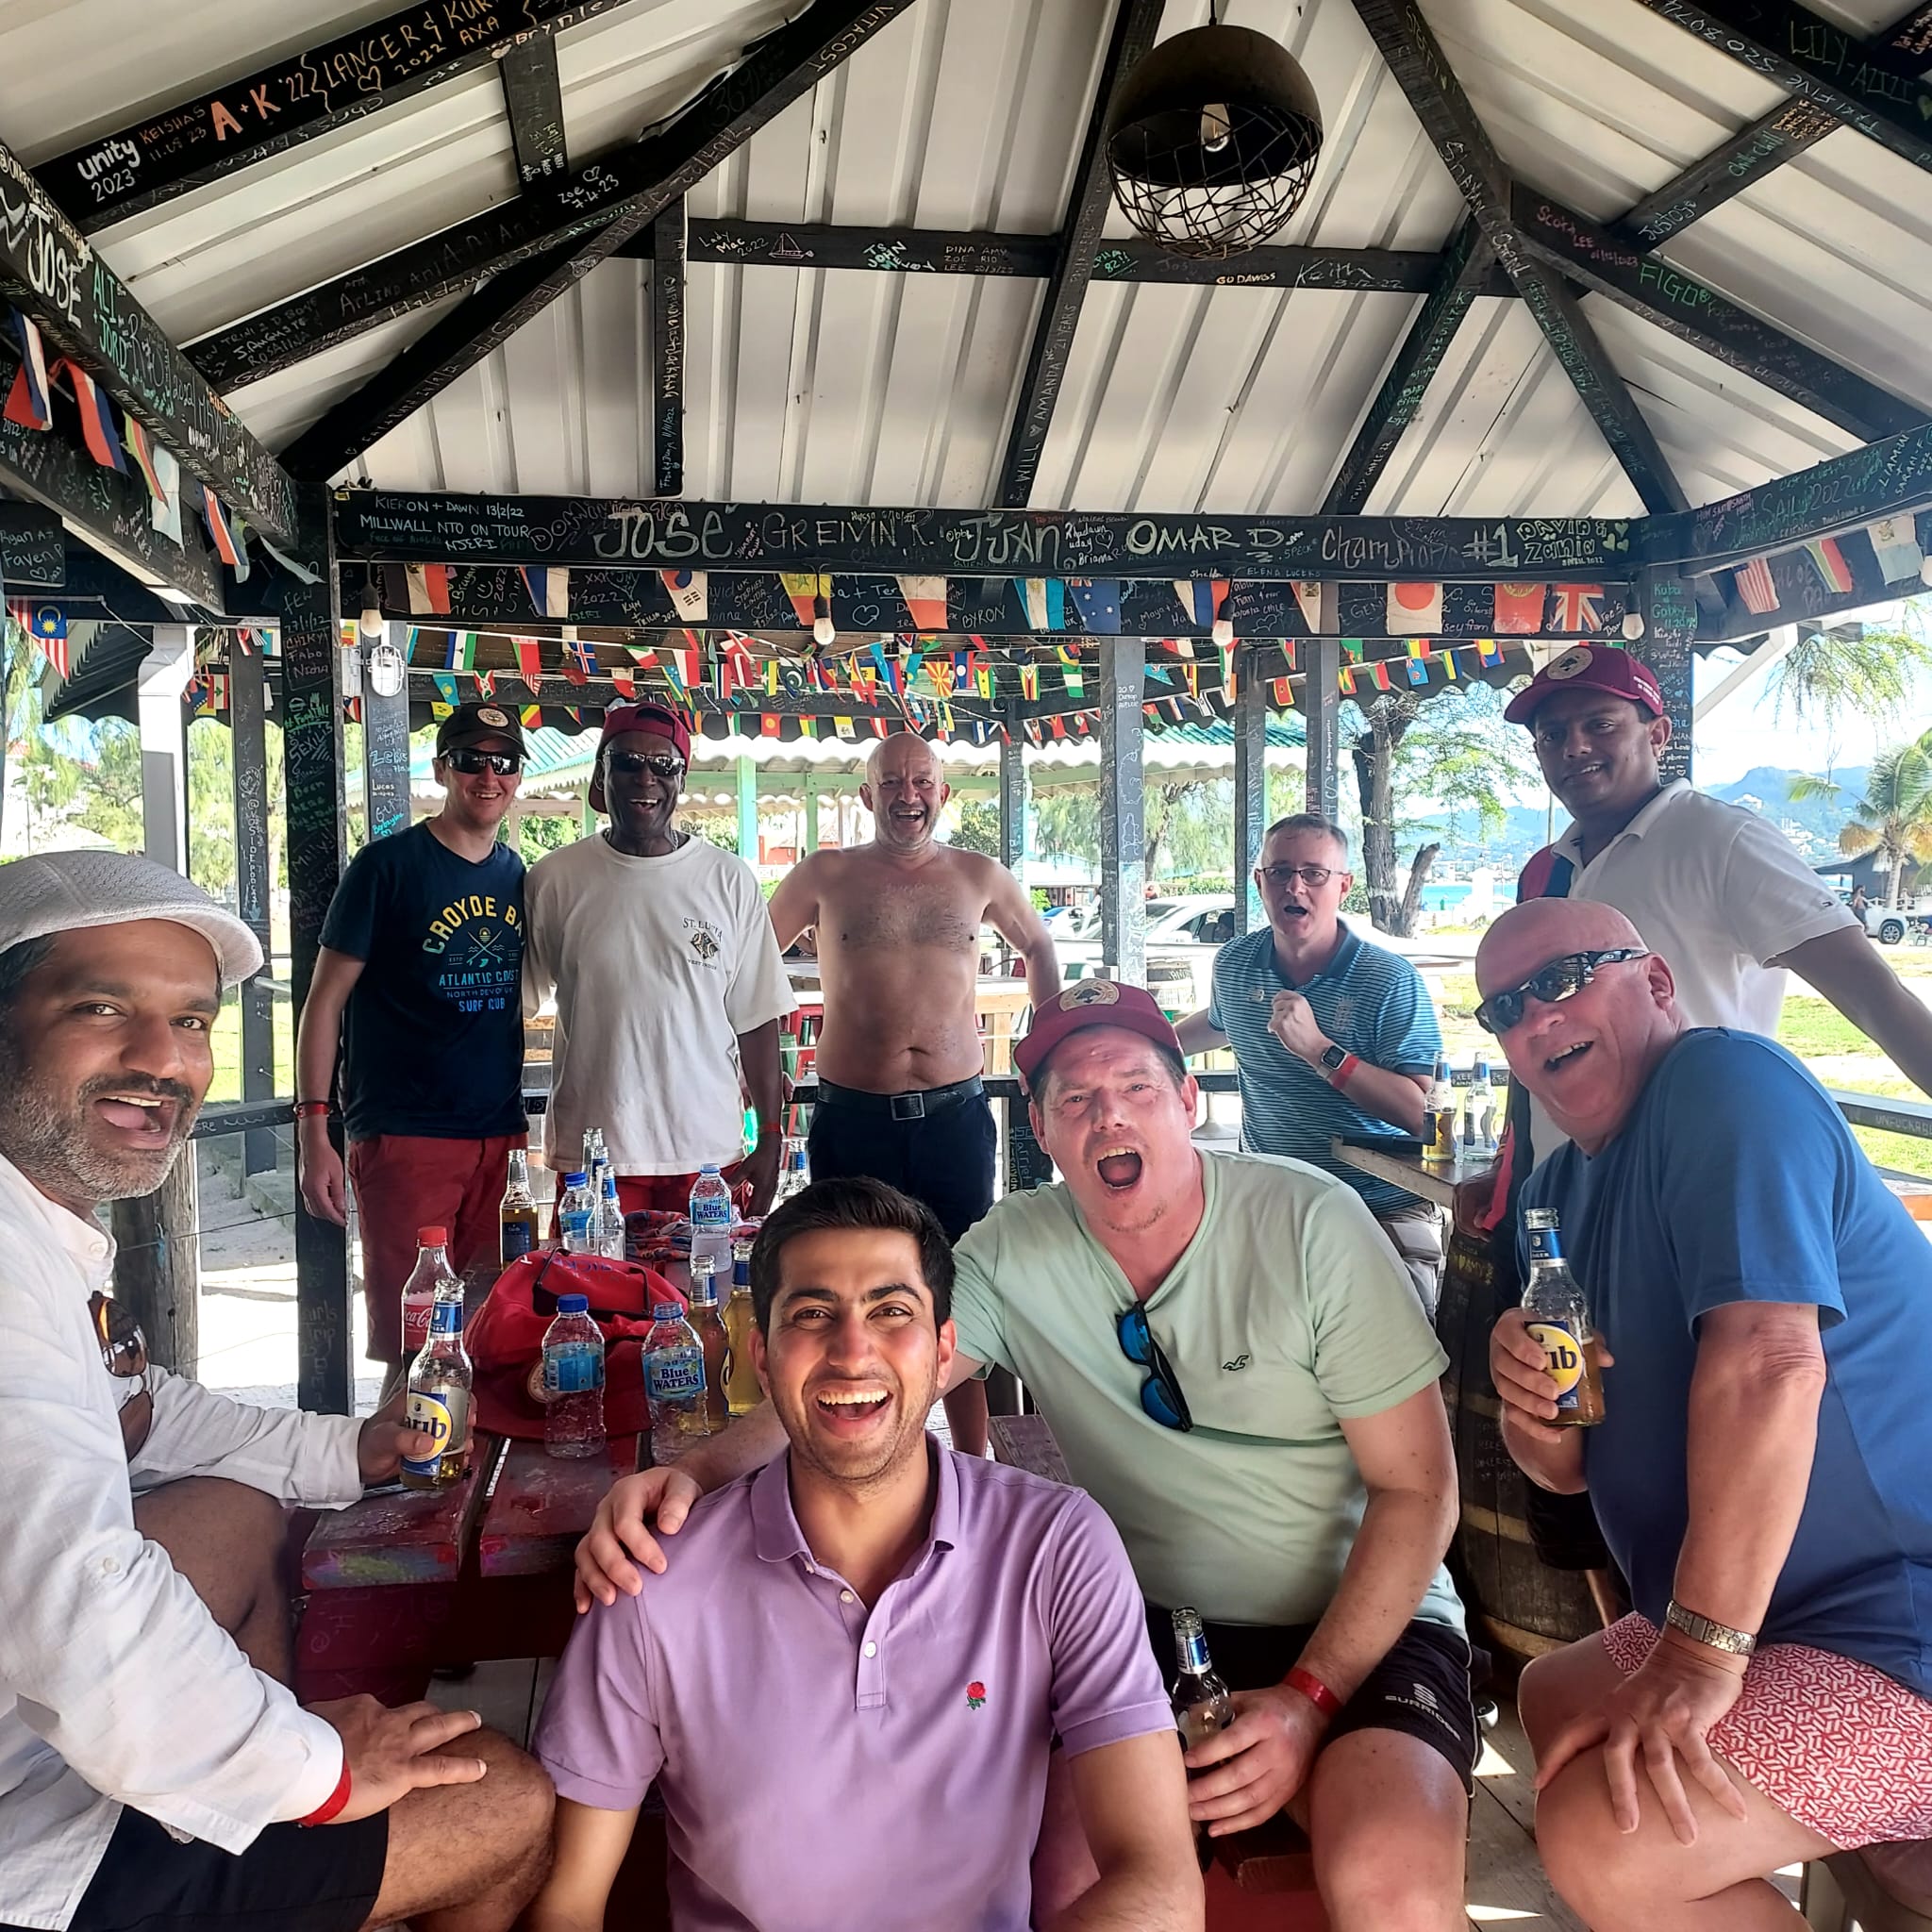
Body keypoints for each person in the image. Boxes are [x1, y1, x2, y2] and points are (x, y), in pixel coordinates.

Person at [574, 983, 1476, 1932]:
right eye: (1074, 1099)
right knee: (1065, 1878)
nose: (1108, 1115)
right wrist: (696, 1476)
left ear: (1186, 1100)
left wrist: (1308, 1697)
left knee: (1393, 1886)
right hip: (1145, 1628)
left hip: (1363, 1620)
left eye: (1135, 1086)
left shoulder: (1310, 1223)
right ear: (1039, 1128)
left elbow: (1420, 1491)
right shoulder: (1017, 1246)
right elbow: (870, 1375)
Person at [0, 853, 553, 1932]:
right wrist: (317, 1769)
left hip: (39, 1708)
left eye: (190, 1021)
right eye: (100, 1008)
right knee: (502, 1795)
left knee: (231, 1511)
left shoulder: (40, 1234)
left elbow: (144, 1406)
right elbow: (80, 1601)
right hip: (26, 1835)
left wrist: (354, 1449)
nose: (163, 1057)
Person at [525, 1176, 1200, 1932]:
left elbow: (1161, 1885)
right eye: (813, 1314)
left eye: (892, 1311)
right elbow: (568, 1905)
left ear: (944, 1352)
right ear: (763, 1357)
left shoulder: (1055, 1547)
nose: (852, 1351)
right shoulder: (652, 1579)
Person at [1475, 897, 1932, 1930]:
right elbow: (1563, 1467)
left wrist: (1697, 1656)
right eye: (1504, 1007)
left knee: (1609, 1842)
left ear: (1654, 982)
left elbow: (1772, 1359)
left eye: (1561, 979)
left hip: (1895, 1618)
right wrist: (1531, 1405)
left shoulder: (1723, 1084)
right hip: (1785, 1616)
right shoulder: (1556, 1191)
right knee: (1554, 1696)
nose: (1536, 1017)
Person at [767, 729, 1060, 1454]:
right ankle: (848, 1450)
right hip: (852, 1117)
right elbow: (750, 960)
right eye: (892, 782)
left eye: (922, 781)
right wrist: (762, 1056)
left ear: (943, 793)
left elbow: (1038, 945)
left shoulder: (978, 875)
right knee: (847, 1288)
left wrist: (1046, 1045)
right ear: (867, 794)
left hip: (952, 1117)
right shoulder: (827, 874)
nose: (908, 795)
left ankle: (971, 1460)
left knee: (960, 1286)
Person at [1507, 643, 1932, 1124]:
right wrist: (1514, 1156)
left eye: (1600, 725)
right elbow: (1527, 1025)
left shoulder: (1724, 840)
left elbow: (1873, 993)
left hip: (1698, 1155)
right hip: (1561, 1167)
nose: (1574, 747)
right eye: (1552, 735)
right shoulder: (1545, 870)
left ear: (1657, 735)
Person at [296, 698, 529, 1389]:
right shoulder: (386, 867)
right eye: (471, 760)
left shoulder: (517, 874)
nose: (488, 776)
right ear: (441, 769)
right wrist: (314, 1129)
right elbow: (324, 1000)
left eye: (504, 763)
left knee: (496, 1329)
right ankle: (399, 1458)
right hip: (406, 1133)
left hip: (501, 1133)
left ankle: (472, 1461)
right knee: (416, 1345)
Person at [524, 702, 794, 1217]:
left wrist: (770, 1135)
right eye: (627, 762)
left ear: (681, 778)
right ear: (601, 774)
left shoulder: (728, 880)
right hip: (593, 1155)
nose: (645, 778)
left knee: (707, 1274)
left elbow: (758, 1018)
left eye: (663, 765)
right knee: (591, 1275)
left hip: (707, 1154)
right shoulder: (553, 880)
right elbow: (510, 1007)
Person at [1175, 813, 1445, 1306]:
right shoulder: (1234, 964)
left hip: (1377, 1209)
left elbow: (1419, 1113)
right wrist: (1137, 1047)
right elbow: (1217, 1024)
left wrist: (1321, 1052)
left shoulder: (1389, 980)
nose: (1294, 887)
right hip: (1268, 1204)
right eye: (1279, 872)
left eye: (1314, 874)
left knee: (1392, 1350)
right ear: (1260, 881)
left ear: (1343, 885)